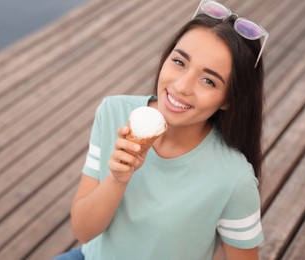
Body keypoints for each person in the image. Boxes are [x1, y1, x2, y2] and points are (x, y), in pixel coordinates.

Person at [54, 0, 268, 259]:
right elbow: (84, 231)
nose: (181, 86)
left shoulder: (234, 178)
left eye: (208, 80)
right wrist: (117, 178)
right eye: (179, 62)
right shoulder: (113, 112)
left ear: (228, 100)